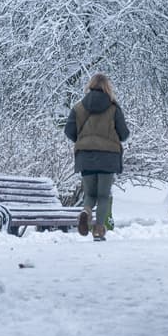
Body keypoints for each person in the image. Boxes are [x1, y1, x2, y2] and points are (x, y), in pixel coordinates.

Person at [64, 72, 130, 241]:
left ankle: (86, 211)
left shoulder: (78, 108)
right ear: (107, 87)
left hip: (85, 157)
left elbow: (68, 131)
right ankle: (99, 230)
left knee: (90, 194)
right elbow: (124, 134)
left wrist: (83, 140)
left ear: (90, 85)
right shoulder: (114, 108)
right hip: (108, 158)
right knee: (103, 196)